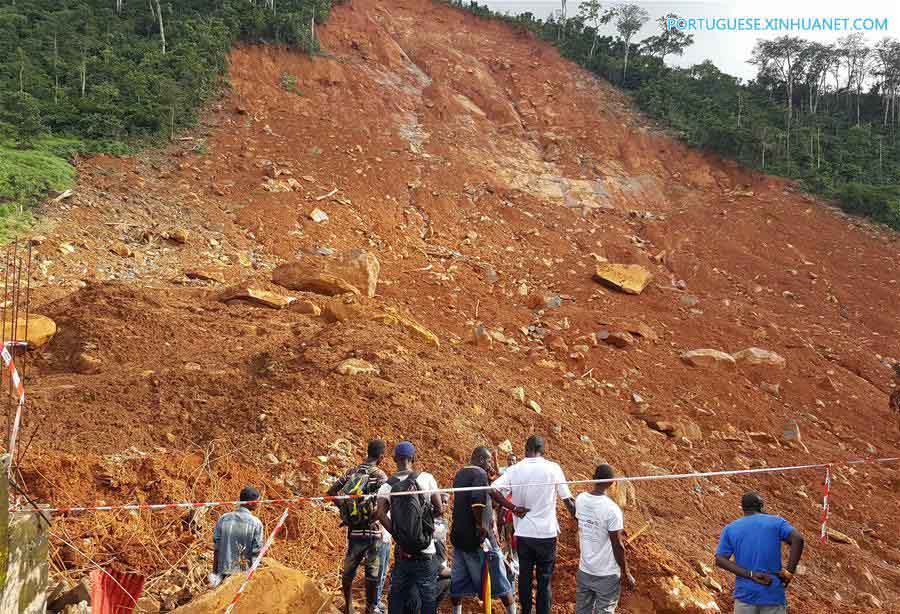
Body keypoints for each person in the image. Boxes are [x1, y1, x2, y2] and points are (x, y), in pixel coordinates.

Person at [491, 435, 576, 614]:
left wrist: (512, 507)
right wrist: (579, 518)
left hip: (524, 534)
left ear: (525, 449)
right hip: (547, 535)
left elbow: (493, 489)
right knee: (544, 580)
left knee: (525, 578)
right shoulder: (553, 468)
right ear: (543, 450)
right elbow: (568, 500)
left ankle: (526, 611)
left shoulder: (515, 469)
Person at [450, 447, 528, 614]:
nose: (491, 465)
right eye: (489, 461)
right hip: (479, 538)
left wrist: (512, 507)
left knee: (457, 582)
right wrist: (481, 525)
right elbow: (477, 503)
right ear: (481, 460)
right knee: (501, 578)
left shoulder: (461, 474)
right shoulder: (479, 474)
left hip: (459, 537)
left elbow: (492, 492)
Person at [375, 441, 444, 614]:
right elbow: (439, 509)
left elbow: (381, 514)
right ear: (413, 458)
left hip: (403, 552)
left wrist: (397, 533)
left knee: (397, 595)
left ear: (394, 459)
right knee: (428, 596)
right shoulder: (426, 478)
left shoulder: (387, 486)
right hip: (426, 551)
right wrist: (423, 526)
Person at [715, 492, 805, 614]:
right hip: (772, 596)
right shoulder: (776, 523)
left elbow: (720, 560)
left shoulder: (730, 528)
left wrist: (750, 574)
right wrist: (789, 572)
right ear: (761, 506)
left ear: (743, 508)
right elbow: (798, 539)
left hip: (744, 597)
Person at [328, 439, 390, 614]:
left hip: (354, 531)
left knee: (349, 570)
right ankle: (370, 608)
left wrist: (345, 511)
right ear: (381, 457)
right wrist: (375, 516)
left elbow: (330, 492)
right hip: (372, 532)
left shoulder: (352, 471)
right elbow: (386, 502)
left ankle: (348, 607)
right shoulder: (380, 476)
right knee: (372, 574)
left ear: (367, 452)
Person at [574, 464, 635, 614]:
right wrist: (626, 573)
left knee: (582, 610)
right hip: (606, 574)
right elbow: (617, 545)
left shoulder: (580, 499)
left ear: (593, 478)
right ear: (612, 483)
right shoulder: (612, 510)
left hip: (585, 569)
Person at [211, 486, 264, 584]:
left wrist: (214, 574)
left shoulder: (223, 519)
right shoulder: (256, 523)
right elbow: (256, 553)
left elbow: (216, 549)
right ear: (251, 503)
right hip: (241, 576)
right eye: (258, 501)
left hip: (223, 573)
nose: (259, 504)